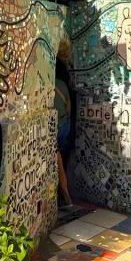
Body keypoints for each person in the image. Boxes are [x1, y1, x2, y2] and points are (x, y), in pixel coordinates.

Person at [55, 64, 74, 207]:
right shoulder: (62, 84)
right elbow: (69, 107)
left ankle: (66, 197)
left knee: (57, 161)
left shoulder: (48, 83)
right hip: (65, 126)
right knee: (59, 157)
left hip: (55, 126)